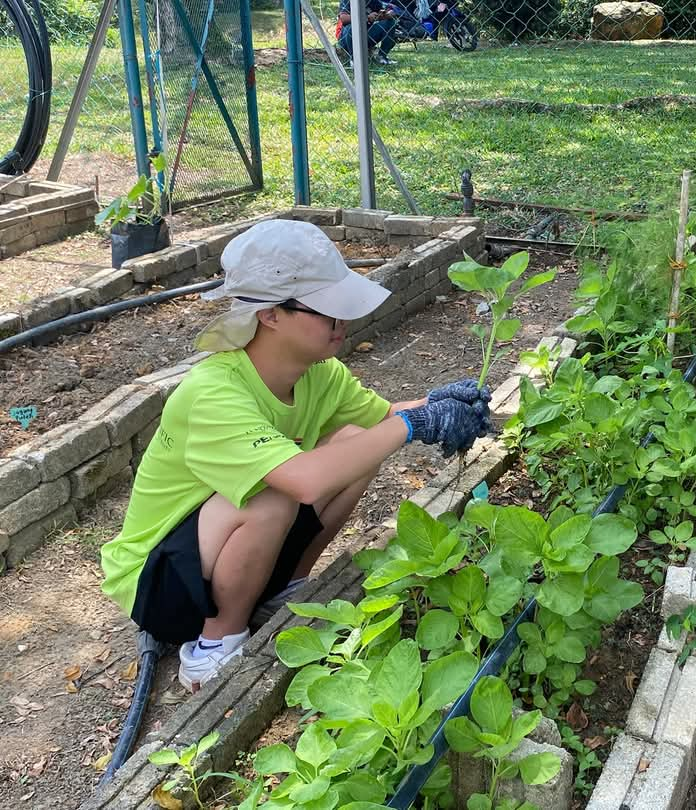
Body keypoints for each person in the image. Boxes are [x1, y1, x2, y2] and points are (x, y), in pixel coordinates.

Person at [99, 220, 492, 691]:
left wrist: (438, 404)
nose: (341, 321)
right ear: (270, 315)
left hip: (222, 554)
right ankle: (212, 646)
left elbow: (381, 418)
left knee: (352, 439)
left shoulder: (317, 373)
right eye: (325, 309)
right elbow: (305, 481)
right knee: (272, 496)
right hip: (160, 585)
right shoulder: (214, 392)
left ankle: (280, 589)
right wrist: (412, 426)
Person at [337, 0, 399, 66]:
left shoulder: (372, 1)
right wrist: (367, 18)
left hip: (366, 35)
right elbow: (343, 19)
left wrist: (387, 14)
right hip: (347, 38)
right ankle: (354, 60)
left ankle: (382, 57)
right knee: (352, 25)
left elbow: (386, 9)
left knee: (390, 22)